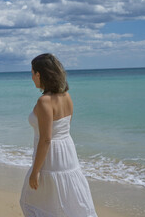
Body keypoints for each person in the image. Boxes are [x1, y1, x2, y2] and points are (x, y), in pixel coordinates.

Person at [20, 53, 98, 217]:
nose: (32, 77)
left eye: (32, 73)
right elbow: (64, 128)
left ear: (39, 74)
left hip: (51, 157)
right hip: (67, 151)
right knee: (68, 201)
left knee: (32, 201)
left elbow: (46, 139)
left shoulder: (44, 101)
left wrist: (36, 171)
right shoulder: (66, 96)